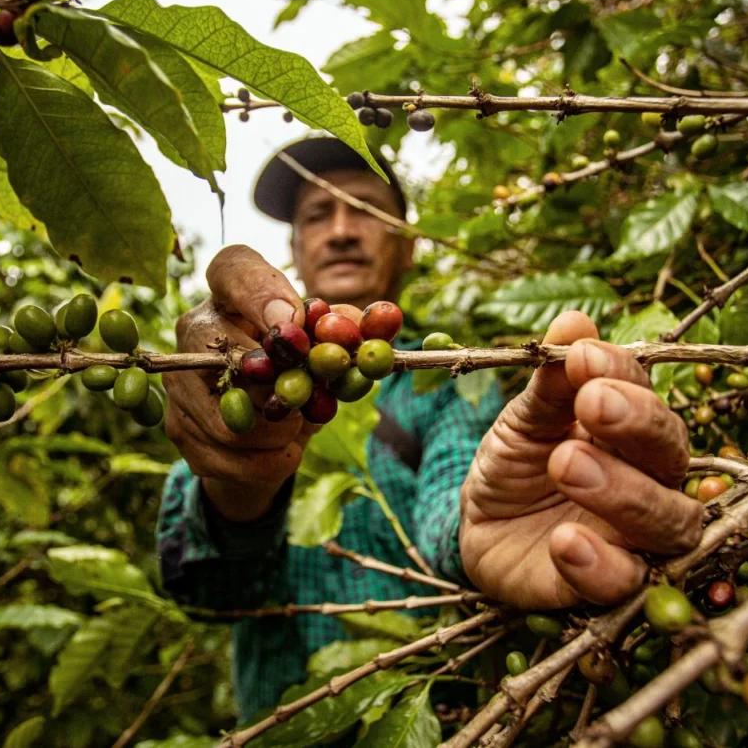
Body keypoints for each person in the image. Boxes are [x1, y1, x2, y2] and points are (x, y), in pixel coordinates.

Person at [156, 136, 702, 720]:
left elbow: (455, 495)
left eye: (365, 210)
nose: (341, 231)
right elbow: (206, 591)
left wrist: (482, 526)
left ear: (408, 247)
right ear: (294, 245)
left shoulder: (447, 382)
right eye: (318, 214)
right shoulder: (234, 378)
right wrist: (240, 476)